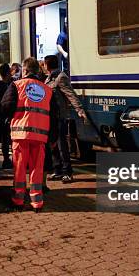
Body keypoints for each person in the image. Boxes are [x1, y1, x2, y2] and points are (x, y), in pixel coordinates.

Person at [1, 57, 57, 212]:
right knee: (37, 168)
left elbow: (5, 106)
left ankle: (18, 200)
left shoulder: (16, 85)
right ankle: (37, 201)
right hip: (40, 136)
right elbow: (54, 115)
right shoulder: (47, 90)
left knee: (19, 168)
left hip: (20, 135)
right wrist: (53, 137)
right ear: (38, 71)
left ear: (24, 70)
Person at [44, 54, 87, 183]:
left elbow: (70, 95)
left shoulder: (60, 77)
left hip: (59, 117)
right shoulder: (49, 78)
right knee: (53, 144)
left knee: (62, 145)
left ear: (47, 65)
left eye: (44, 64)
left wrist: (79, 110)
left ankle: (67, 172)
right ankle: (57, 170)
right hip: (50, 117)